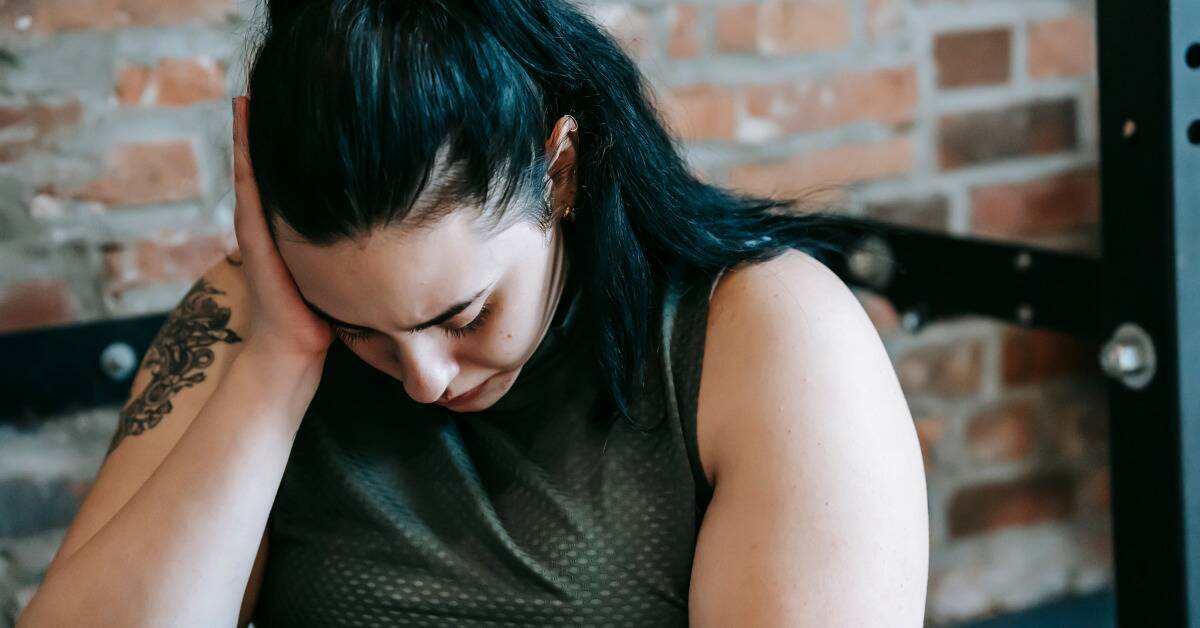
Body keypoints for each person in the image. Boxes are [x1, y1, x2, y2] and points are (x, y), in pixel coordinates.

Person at [19, 1, 928, 626]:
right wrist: (279, 362)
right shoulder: (249, 318)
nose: (423, 379)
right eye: (358, 327)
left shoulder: (765, 333)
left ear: (560, 172)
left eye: (463, 313)